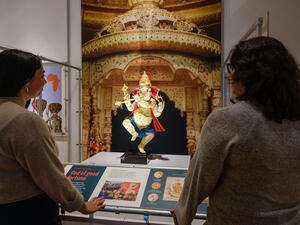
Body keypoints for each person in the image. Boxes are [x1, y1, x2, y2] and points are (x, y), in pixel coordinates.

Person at [172, 36, 300, 225]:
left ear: (250, 76)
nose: (230, 77)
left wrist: (181, 216)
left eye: (234, 70)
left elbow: (197, 183)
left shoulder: (226, 120)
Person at [0, 49, 105, 225]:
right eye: (41, 75)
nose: (45, 81)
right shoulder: (25, 120)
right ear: (26, 80)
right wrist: (82, 205)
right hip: (28, 212)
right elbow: (49, 175)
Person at [116, 71, 165, 153]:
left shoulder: (152, 102)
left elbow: (155, 114)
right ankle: (134, 133)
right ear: (140, 91)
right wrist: (127, 102)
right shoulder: (138, 100)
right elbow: (130, 109)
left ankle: (141, 146)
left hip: (145, 125)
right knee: (125, 122)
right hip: (135, 122)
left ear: (151, 91)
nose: (146, 93)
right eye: (143, 91)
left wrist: (160, 110)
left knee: (151, 135)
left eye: (148, 91)